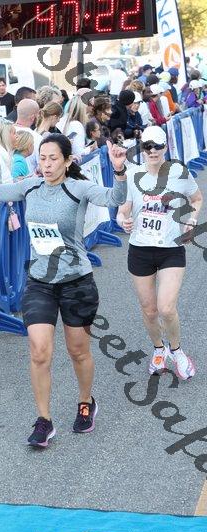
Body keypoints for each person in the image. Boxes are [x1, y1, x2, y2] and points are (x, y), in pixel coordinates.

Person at [0, 129, 127, 446]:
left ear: (67, 161)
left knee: (78, 351)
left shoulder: (78, 188)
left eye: (53, 159)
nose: (46, 164)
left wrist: (119, 170)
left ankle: (85, 402)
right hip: (40, 282)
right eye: (42, 158)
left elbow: (115, 199)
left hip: (76, 282)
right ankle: (44, 420)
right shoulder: (31, 186)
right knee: (39, 351)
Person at [117, 126, 203, 379]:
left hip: (171, 250)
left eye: (157, 146)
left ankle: (176, 350)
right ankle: (158, 349)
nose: (152, 151)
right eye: (147, 146)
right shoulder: (133, 175)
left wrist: (191, 220)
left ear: (166, 147)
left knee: (166, 308)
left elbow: (197, 199)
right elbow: (123, 210)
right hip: (140, 249)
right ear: (141, 148)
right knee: (149, 310)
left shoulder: (179, 172)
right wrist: (123, 220)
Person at [15, 99, 42, 174]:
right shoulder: (37, 138)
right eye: (38, 114)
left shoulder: (6, 132)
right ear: (33, 117)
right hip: (29, 179)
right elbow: (42, 165)